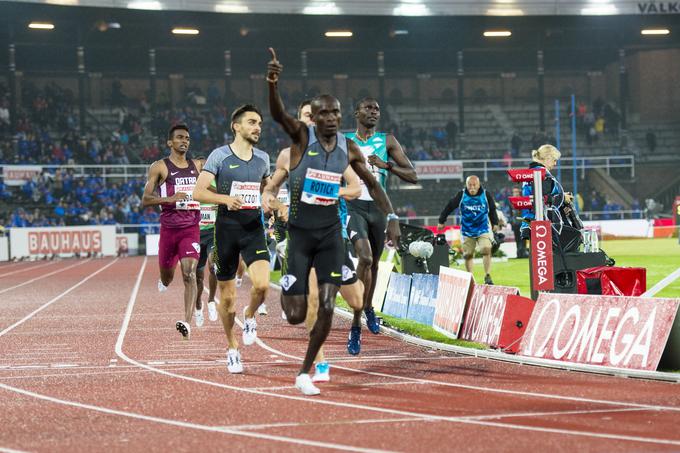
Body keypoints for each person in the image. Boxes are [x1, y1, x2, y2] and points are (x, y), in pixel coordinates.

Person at [266, 48, 400, 396]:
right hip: (299, 235)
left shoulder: (348, 148)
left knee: (336, 304)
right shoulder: (296, 141)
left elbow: (367, 185)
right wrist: (273, 83)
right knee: (298, 312)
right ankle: (294, 304)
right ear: (311, 117)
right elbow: (278, 116)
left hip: (330, 234)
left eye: (333, 112)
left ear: (340, 116)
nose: (326, 118)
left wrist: (393, 217)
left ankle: (307, 369)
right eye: (318, 113)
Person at [262, 99, 365, 380]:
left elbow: (355, 184)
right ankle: (320, 363)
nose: (311, 122)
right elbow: (269, 191)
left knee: (356, 300)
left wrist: (337, 192)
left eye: (314, 116)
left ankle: (357, 322)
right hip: (305, 235)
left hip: (335, 234)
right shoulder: (289, 154)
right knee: (314, 301)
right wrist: (273, 203)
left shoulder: (337, 150)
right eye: (307, 117)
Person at [192, 104, 271, 374]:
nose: (257, 127)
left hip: (253, 230)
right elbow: (198, 192)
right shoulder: (219, 156)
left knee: (261, 286)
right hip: (226, 229)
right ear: (236, 126)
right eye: (252, 122)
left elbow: (266, 191)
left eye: (259, 122)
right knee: (226, 301)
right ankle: (232, 348)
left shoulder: (263, 158)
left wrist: (272, 204)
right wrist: (225, 198)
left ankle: (249, 316)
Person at [345, 97, 417, 351]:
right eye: (368, 108)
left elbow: (412, 174)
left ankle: (368, 307)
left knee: (373, 263)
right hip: (353, 207)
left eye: (377, 109)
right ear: (356, 112)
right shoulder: (345, 141)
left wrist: (386, 165)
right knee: (363, 258)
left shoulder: (387, 141)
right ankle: (355, 325)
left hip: (378, 208)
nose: (374, 112)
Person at [142, 124, 202, 340]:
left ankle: (186, 321)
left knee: (189, 273)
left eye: (187, 137)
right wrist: (169, 198)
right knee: (167, 276)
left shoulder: (198, 165)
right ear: (170, 142)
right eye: (179, 137)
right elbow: (145, 199)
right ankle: (164, 280)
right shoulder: (160, 167)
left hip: (190, 229)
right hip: (169, 230)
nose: (184, 141)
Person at [437, 175, 499, 284]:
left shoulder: (485, 195)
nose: (472, 187)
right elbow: (449, 206)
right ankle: (471, 278)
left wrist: (495, 222)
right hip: (467, 230)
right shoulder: (461, 195)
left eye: (474, 185)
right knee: (468, 255)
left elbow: (492, 209)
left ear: (479, 185)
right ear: (466, 185)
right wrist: (442, 220)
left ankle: (487, 276)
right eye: (469, 185)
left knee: (486, 249)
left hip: (483, 228)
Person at [519, 144, 574, 241]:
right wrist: (563, 198)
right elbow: (544, 199)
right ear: (548, 158)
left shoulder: (531, 172)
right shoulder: (542, 174)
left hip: (529, 221)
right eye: (554, 160)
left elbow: (536, 195)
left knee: (538, 254)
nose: (555, 163)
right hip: (542, 223)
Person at [194, 157, 219, 326]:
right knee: (197, 276)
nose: (202, 168)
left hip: (212, 233)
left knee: (213, 266)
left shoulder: (215, 183)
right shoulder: (189, 185)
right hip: (195, 234)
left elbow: (220, 197)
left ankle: (211, 301)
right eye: (199, 165)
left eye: (205, 166)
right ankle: (197, 305)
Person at [509, 186, 528, 258]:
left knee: (523, 238)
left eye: (517, 192)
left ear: (520, 192)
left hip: (522, 222)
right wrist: (512, 222)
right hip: (515, 223)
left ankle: (523, 252)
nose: (515, 193)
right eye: (514, 192)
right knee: (517, 239)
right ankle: (518, 253)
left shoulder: (524, 200)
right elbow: (511, 213)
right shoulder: (511, 201)